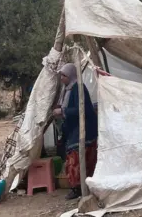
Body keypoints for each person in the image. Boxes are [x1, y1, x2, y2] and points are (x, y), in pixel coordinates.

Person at [53, 63, 98, 200]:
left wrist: (62, 111)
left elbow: (82, 109)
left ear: (71, 75)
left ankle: (79, 188)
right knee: (76, 158)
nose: (62, 78)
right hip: (74, 129)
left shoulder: (79, 88)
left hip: (84, 129)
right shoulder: (67, 90)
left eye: (64, 75)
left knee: (77, 159)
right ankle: (79, 186)